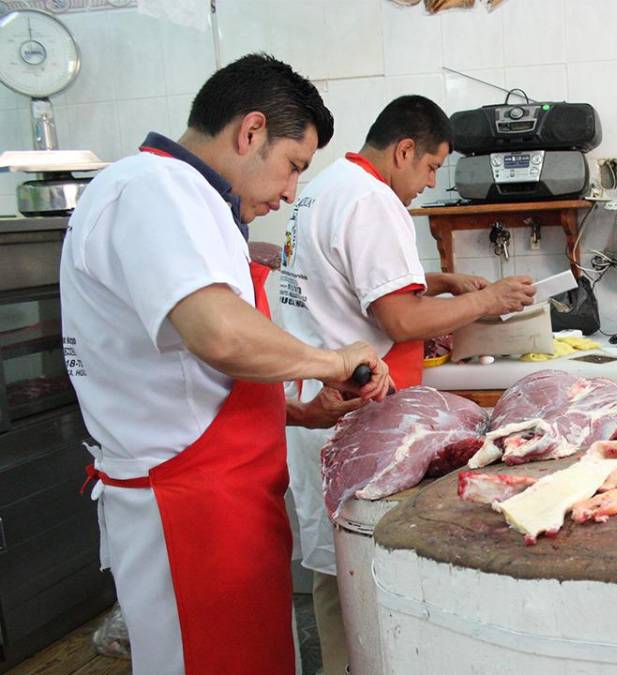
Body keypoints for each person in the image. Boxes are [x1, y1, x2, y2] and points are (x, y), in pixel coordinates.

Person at [61, 53, 391, 675]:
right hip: (190, 514)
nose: (290, 192)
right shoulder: (155, 187)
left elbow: (185, 381)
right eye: (293, 165)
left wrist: (297, 412)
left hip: (225, 503)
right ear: (251, 131)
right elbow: (217, 333)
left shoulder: (188, 199)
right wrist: (332, 361)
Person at [277, 93, 535, 672]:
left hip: (319, 406)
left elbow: (349, 284)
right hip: (352, 417)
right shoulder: (373, 200)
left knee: (335, 571)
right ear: (404, 150)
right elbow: (399, 320)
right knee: (363, 579)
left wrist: (434, 281)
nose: (431, 181)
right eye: (432, 166)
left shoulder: (329, 184)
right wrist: (489, 300)